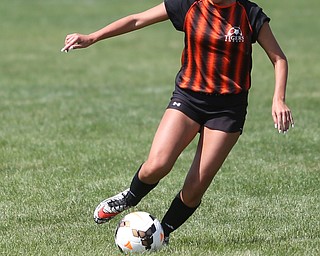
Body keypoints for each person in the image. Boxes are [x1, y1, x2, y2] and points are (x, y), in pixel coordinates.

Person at [62, 0, 294, 244]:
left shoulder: (249, 13)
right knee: (157, 165)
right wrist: (93, 37)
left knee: (194, 189)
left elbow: (279, 59)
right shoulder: (189, 4)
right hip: (189, 97)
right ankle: (129, 197)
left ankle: (162, 234)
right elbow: (137, 19)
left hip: (228, 110)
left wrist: (278, 99)